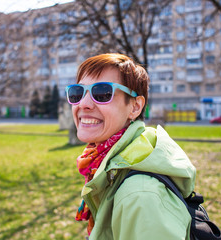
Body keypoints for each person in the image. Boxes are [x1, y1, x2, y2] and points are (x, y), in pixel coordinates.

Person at [65, 53, 196, 240]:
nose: (83, 104)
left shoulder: (140, 196)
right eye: (77, 93)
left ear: (135, 107)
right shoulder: (104, 167)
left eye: (102, 93)